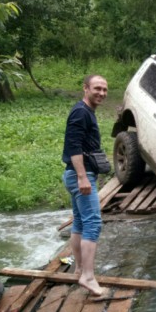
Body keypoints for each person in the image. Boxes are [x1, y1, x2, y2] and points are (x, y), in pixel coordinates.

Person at [62, 75, 109, 297]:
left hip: (75, 174)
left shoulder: (86, 111)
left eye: (105, 89)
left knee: (80, 221)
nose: (101, 93)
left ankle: (80, 269)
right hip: (80, 174)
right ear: (85, 88)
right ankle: (88, 276)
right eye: (97, 88)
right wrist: (82, 177)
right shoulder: (81, 112)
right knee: (93, 223)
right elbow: (73, 146)